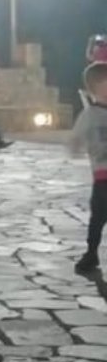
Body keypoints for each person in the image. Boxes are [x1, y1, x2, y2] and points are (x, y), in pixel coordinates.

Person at [69, 62, 107, 273]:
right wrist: (75, 146)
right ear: (97, 88)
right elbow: (76, 136)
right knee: (98, 217)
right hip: (103, 176)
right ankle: (91, 252)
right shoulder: (90, 115)